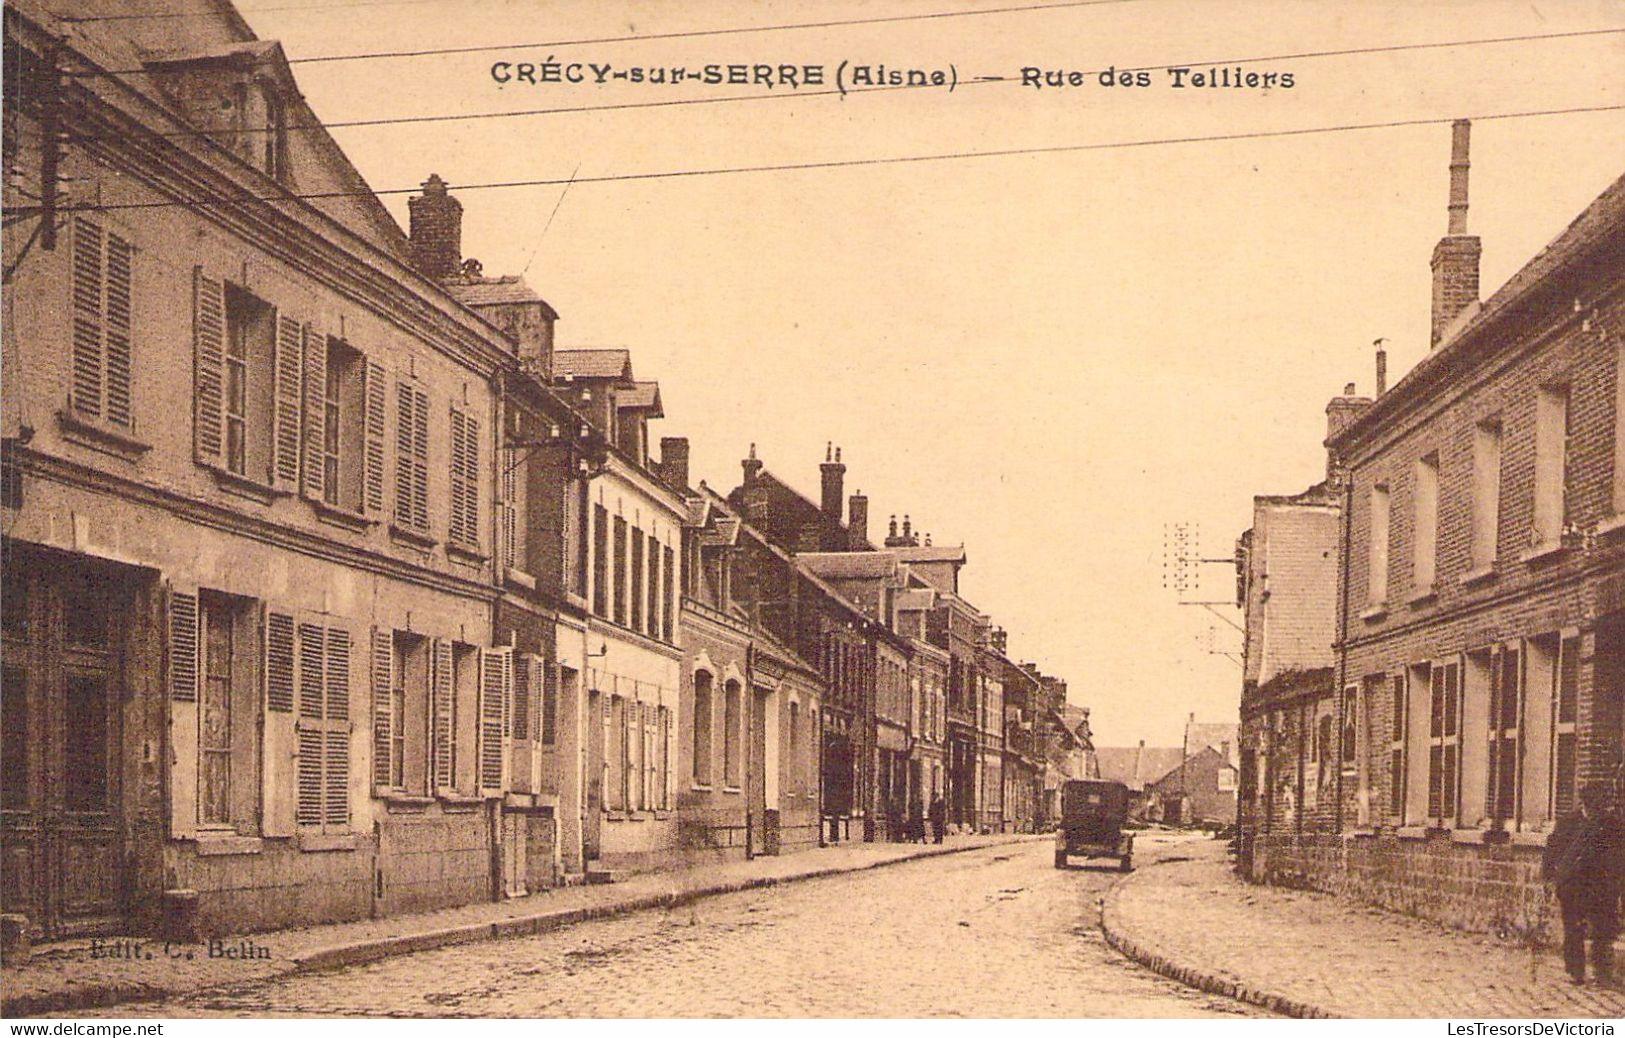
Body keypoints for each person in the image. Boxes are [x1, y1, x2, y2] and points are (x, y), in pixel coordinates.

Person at [1542, 782, 1624, 987]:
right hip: (1572, 885)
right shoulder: (1568, 823)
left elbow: (1619, 855)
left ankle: (1602, 972)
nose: (1596, 808)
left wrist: (1616, 881)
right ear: (1584, 802)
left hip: (1600, 886)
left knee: (1603, 929)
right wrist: (1548, 878)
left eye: (1599, 804)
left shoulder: (1611, 825)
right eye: (1592, 804)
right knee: (1573, 928)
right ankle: (1576, 971)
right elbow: (1552, 851)